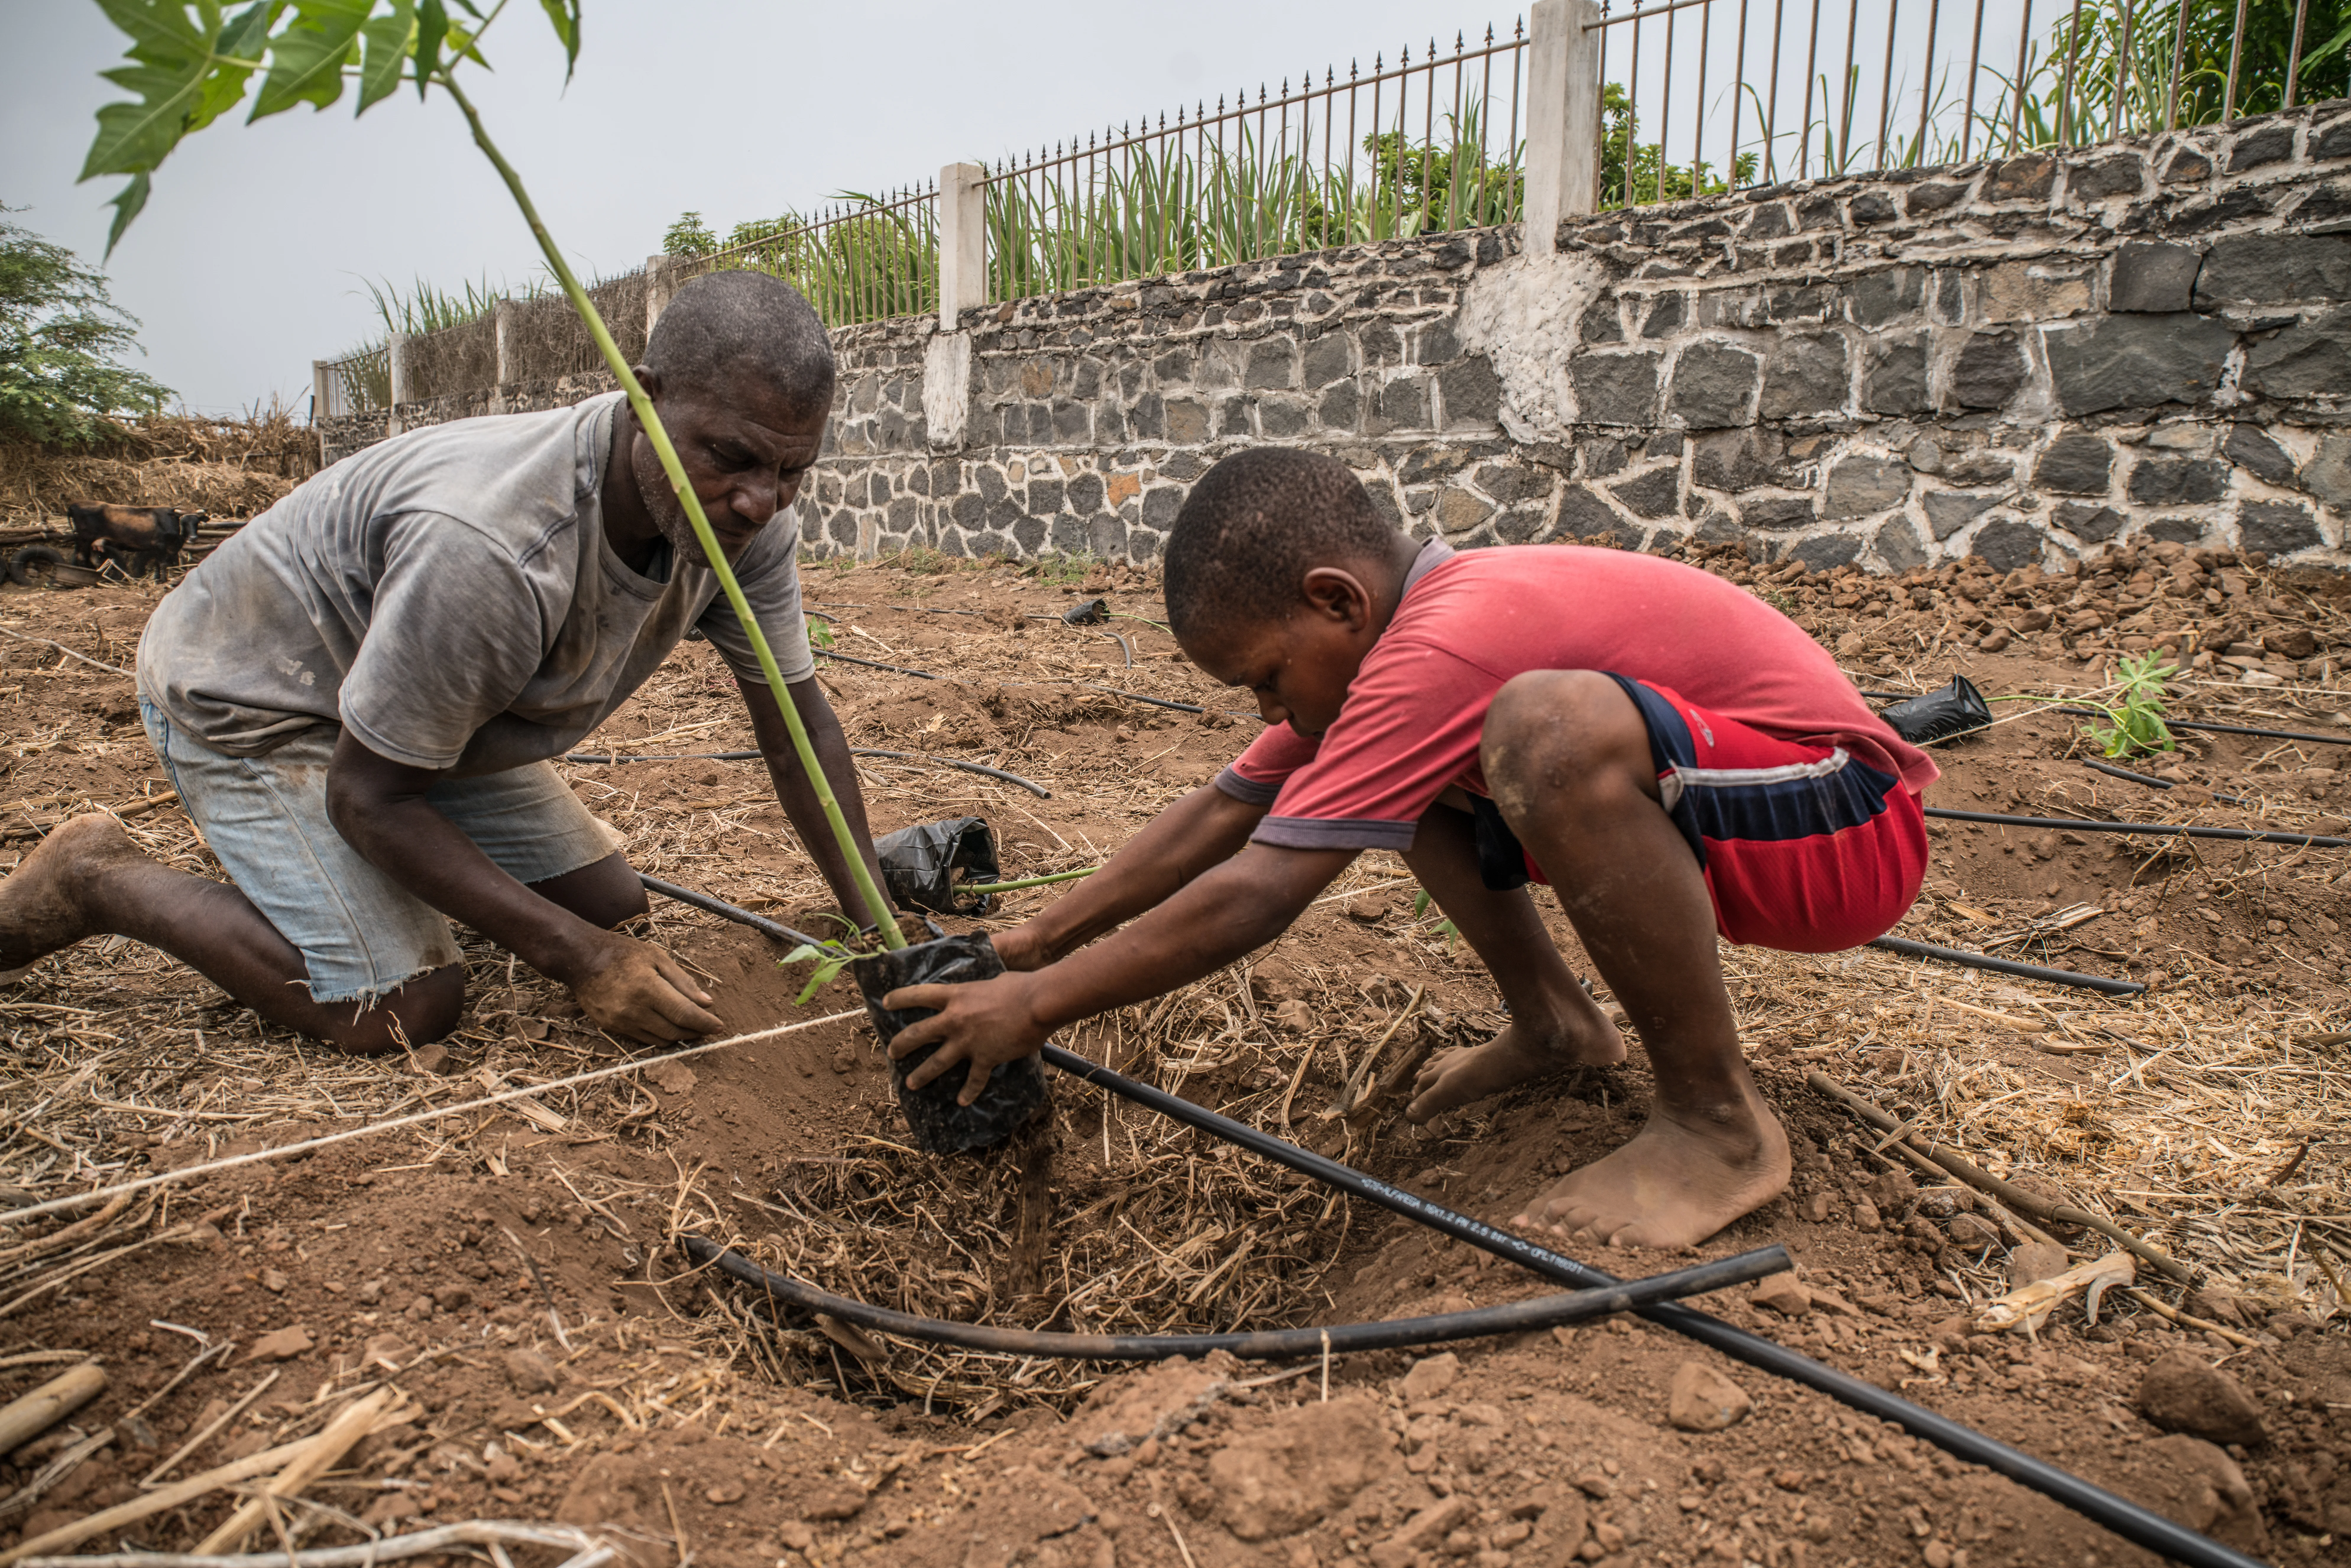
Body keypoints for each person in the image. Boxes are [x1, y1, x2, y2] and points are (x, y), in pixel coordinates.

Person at [883, 448, 1935, 1250]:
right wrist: (1028, 944)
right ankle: (1556, 1025)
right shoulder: (1401, 642)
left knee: (1544, 731)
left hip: (1841, 826)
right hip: (1753, 813)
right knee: (1399, 781)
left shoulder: (1449, 641)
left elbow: (1258, 891)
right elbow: (1219, 816)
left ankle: (1719, 1123)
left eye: (1265, 676)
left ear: (1338, 601)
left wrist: (1036, 1008)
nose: (1264, 706)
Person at [0, 272, 887, 1054]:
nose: (758, 502)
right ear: (642, 397)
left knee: (612, 905)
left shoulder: (752, 526)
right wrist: (579, 962)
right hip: (256, 690)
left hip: (416, 703)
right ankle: (97, 880)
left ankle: (372, 870)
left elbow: (797, 730)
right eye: (728, 458)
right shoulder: (496, 551)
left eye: (791, 472)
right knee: (403, 1005)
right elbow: (367, 794)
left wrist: (883, 926)